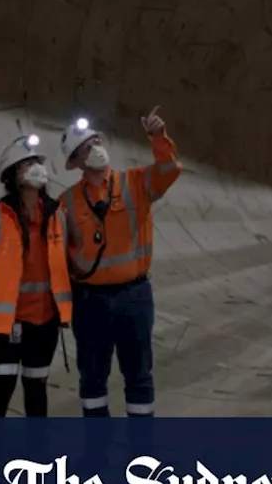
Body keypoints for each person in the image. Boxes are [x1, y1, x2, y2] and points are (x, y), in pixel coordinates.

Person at [57, 106, 182, 417]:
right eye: (86, 147)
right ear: (77, 162)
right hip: (89, 301)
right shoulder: (67, 202)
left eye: (96, 141)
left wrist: (157, 136)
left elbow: (170, 170)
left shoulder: (136, 183)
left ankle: (141, 457)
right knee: (93, 380)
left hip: (134, 296)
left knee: (139, 377)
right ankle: (97, 453)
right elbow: (58, 255)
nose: (95, 148)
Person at [0, 134, 73, 417]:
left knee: (36, 388)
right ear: (13, 176)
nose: (36, 168)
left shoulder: (57, 215)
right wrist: (1, 294)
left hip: (44, 321)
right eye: (26, 164)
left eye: (36, 162)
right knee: (1, 387)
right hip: (6, 325)